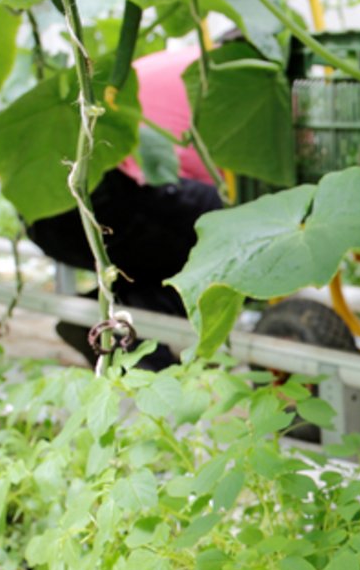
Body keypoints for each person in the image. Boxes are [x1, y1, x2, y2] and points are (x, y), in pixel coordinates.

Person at [26, 46, 221, 365]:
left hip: (43, 208)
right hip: (103, 196)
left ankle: (116, 319)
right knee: (227, 228)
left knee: (178, 234)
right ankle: (138, 346)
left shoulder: (182, 59)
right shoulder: (228, 80)